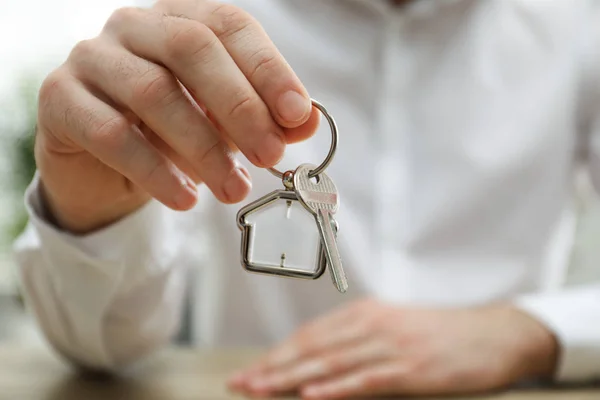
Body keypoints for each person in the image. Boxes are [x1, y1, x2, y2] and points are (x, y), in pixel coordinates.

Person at [12, 0, 600, 398]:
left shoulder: (578, 21)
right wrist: (91, 215)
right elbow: (105, 346)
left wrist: (534, 330)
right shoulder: (197, 27)